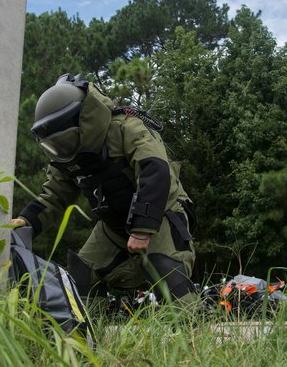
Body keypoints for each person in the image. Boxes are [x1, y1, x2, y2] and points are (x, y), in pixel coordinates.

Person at [12, 73, 197, 306]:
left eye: (66, 139)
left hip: (162, 214)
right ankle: (87, 336)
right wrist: (25, 222)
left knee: (168, 274)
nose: (63, 148)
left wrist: (142, 230)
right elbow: (53, 196)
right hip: (113, 227)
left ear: (84, 121)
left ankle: (193, 334)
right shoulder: (67, 158)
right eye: (55, 145)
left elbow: (155, 171)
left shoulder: (126, 128)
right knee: (81, 276)